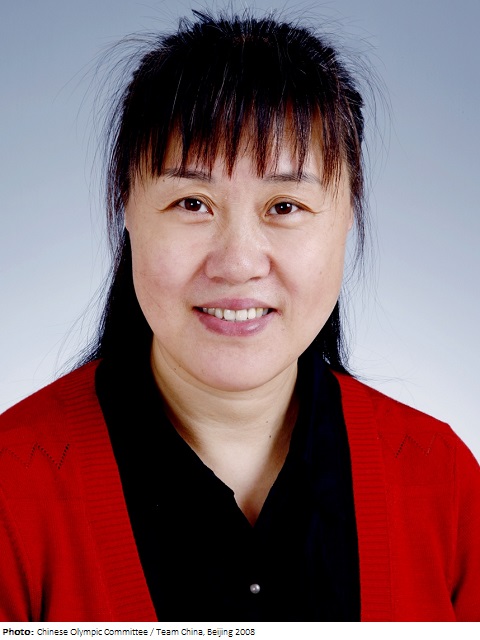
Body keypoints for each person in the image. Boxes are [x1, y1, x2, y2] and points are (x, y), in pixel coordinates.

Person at [0, 10, 479, 623]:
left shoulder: (441, 480)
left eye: (285, 205)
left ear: (349, 215)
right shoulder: (14, 492)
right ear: (126, 206)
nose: (238, 263)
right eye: (191, 202)